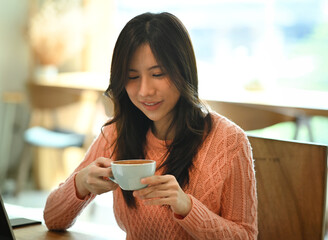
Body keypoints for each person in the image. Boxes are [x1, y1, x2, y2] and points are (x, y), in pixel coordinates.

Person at [43, 12, 258, 239]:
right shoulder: (116, 133)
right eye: (132, 77)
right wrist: (80, 183)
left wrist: (186, 206)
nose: (145, 91)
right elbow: (52, 218)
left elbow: (245, 235)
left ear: (183, 72)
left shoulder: (229, 141)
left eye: (158, 74)